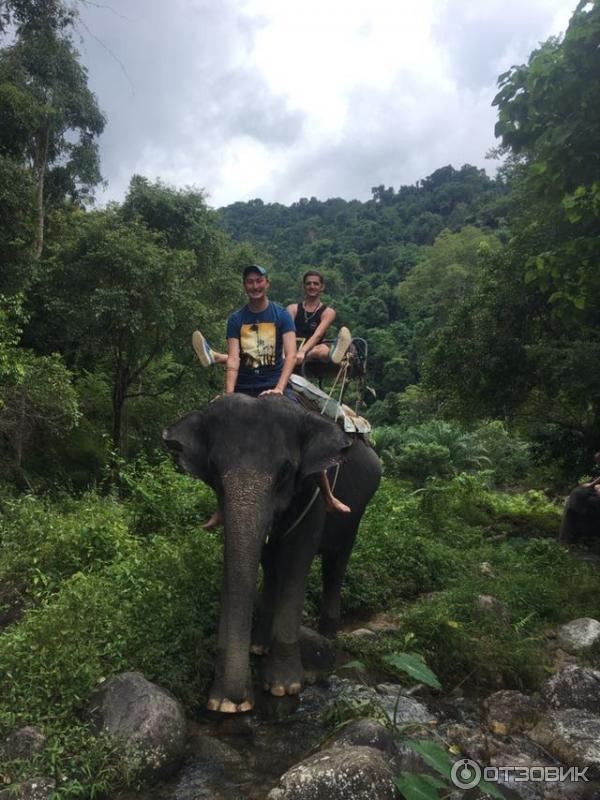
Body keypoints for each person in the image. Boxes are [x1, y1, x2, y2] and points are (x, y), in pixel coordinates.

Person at [192, 264, 350, 527]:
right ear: (245, 286)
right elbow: (233, 359)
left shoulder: (280, 315)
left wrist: (279, 387)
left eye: (259, 281)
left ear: (267, 283)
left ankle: (327, 495)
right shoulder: (236, 319)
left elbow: (290, 355)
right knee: (221, 445)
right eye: (249, 282)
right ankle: (221, 508)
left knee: (305, 432)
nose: (254, 286)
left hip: (275, 386)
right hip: (244, 387)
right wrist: (229, 396)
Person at [286, 271, 351, 367]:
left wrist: (303, 351)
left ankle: (337, 354)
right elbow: (287, 332)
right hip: (290, 350)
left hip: (310, 352)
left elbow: (318, 335)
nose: (312, 286)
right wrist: (291, 352)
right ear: (304, 286)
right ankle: (338, 357)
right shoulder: (292, 308)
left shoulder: (328, 312)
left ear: (322, 287)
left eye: (316, 284)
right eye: (308, 283)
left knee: (322, 349)